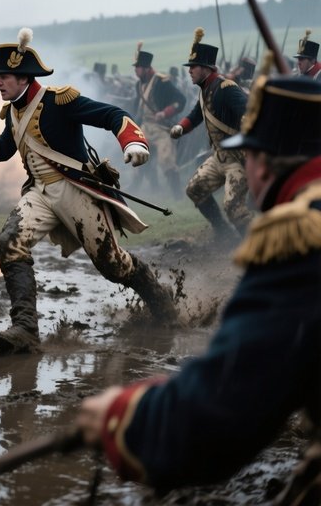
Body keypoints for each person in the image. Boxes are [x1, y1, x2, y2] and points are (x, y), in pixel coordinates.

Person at [77, 63, 321, 501]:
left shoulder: (299, 243)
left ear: (264, 162)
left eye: (256, 153)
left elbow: (227, 410)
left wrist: (125, 416)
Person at [0, 28, 177, 355]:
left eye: (3, 76)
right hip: (39, 193)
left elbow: (111, 115)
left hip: (76, 191)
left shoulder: (59, 101)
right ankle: (25, 328)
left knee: (113, 266)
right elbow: (4, 148)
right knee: (10, 244)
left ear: (23, 77)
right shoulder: (13, 112)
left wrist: (133, 141)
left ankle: (159, 300)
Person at [169, 28, 251, 240]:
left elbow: (249, 113)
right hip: (219, 157)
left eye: (193, 67)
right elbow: (197, 114)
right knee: (194, 189)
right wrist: (181, 127)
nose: (189, 71)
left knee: (233, 206)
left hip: (239, 159)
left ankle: (255, 245)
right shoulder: (205, 90)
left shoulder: (226, 87)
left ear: (205, 68)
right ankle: (223, 234)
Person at [131, 43, 186, 198]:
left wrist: (165, 112)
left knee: (166, 159)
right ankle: (149, 188)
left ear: (147, 68)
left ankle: (177, 194)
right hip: (146, 126)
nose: (136, 70)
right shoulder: (139, 84)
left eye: (138, 67)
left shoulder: (162, 82)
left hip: (161, 127)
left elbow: (180, 100)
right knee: (138, 155)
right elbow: (139, 107)